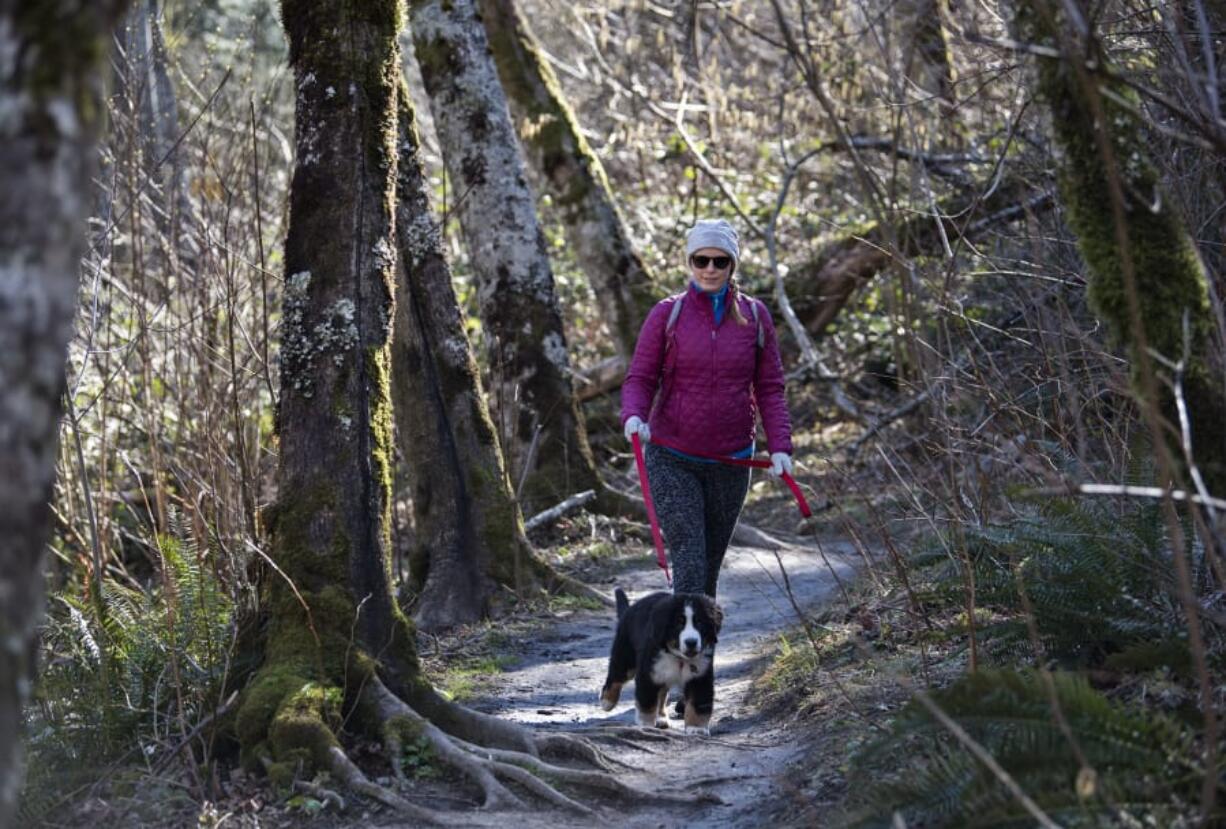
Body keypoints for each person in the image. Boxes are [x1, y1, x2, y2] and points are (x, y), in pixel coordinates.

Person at [621, 218, 794, 600]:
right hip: (671, 455)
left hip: (733, 461)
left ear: (733, 264)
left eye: (720, 261)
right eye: (701, 260)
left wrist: (780, 446)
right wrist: (633, 414)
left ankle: (701, 653)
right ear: (690, 262)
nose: (710, 269)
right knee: (690, 558)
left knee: (710, 567)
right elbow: (640, 377)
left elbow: (770, 387)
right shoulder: (667, 315)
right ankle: (682, 650)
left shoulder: (755, 317)